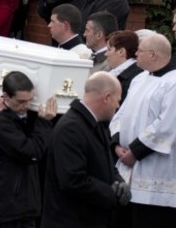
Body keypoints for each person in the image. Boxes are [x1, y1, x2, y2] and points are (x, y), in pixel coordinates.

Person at [110, 33, 176, 228]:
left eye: (139, 52)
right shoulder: (139, 79)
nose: (136, 56)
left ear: (153, 55)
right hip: (127, 169)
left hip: (159, 177)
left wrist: (134, 152)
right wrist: (117, 145)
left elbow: (166, 126)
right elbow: (120, 115)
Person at [41, 71, 129, 228]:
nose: (118, 106)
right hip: (71, 220)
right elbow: (72, 180)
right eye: (118, 100)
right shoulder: (71, 128)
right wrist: (111, 193)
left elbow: (106, 165)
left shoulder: (96, 125)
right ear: (107, 97)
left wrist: (119, 183)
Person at [0, 71, 57, 227]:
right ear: (6, 97)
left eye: (30, 101)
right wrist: (44, 123)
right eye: (21, 102)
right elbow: (31, 152)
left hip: (20, 207)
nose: (26, 106)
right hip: (4, 209)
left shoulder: (21, 118)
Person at [105, 30, 143, 103]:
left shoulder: (134, 78)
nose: (106, 54)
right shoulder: (127, 74)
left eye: (109, 49)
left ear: (121, 52)